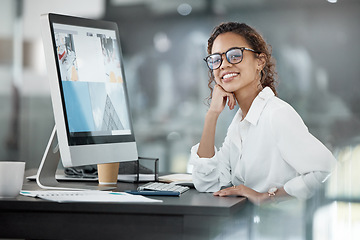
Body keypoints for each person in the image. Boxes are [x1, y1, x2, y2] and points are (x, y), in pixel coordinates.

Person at [189, 22, 336, 205]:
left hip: (278, 230)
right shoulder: (239, 123)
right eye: (216, 59)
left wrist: (267, 197)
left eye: (234, 55)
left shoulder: (276, 114)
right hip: (247, 228)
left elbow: (327, 170)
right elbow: (206, 183)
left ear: (260, 61)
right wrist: (212, 115)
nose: (224, 65)